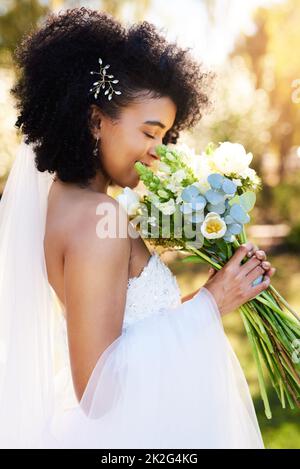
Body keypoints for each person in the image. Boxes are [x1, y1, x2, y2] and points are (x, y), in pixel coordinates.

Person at [0, 7, 275, 449]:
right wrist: (209, 303)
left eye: (165, 137)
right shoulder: (96, 218)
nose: (159, 152)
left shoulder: (67, 202)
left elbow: (123, 330)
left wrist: (215, 293)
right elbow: (98, 392)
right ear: (94, 121)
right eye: (149, 133)